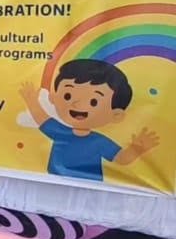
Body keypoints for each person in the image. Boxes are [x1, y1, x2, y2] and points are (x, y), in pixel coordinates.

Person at [19, 58, 160, 182]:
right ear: (53, 98)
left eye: (94, 101)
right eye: (68, 96)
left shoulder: (99, 141)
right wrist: (31, 101)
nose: (77, 105)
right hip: (55, 181)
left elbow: (120, 159)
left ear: (116, 114)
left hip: (89, 186)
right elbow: (41, 118)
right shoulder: (60, 132)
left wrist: (136, 149)